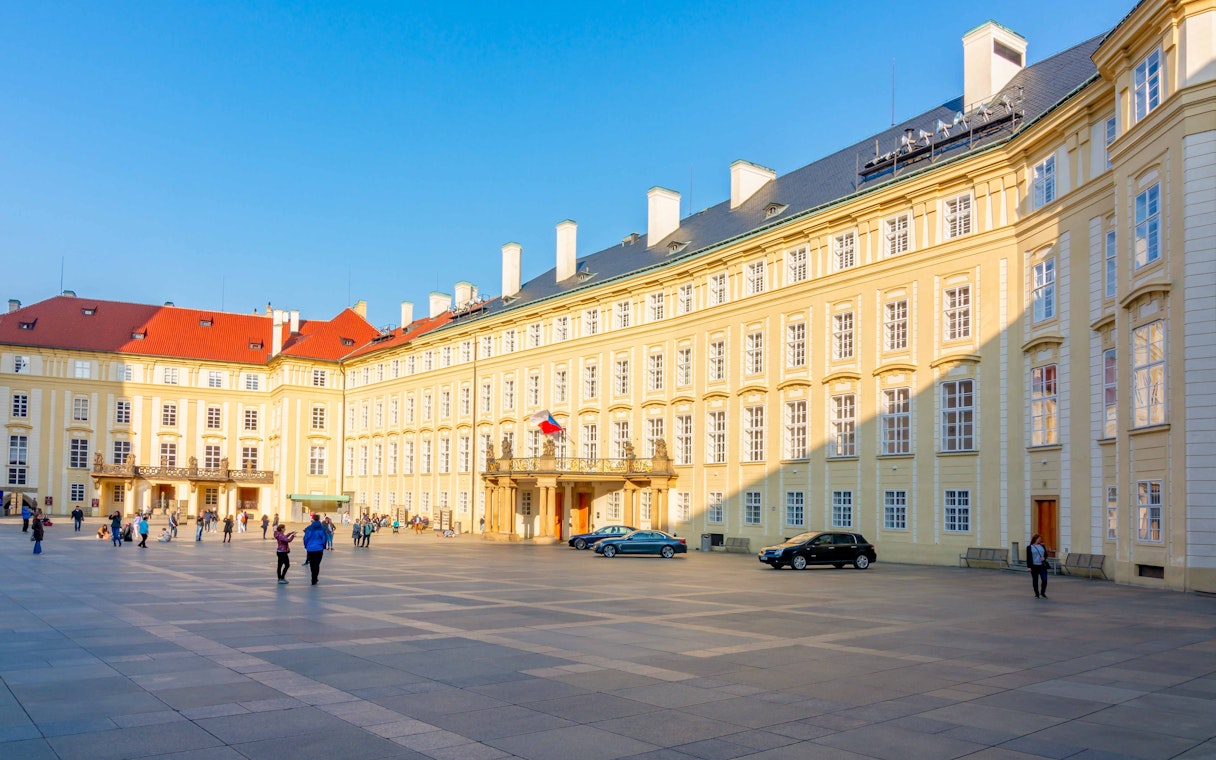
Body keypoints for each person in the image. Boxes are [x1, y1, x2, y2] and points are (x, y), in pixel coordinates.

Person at [302, 514, 327, 585]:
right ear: (319, 519)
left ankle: (313, 577)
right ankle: (315, 577)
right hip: (319, 548)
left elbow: (305, 537)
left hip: (310, 548)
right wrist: (324, 546)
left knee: (312, 563)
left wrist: (306, 545)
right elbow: (324, 538)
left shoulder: (309, 528)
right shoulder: (321, 528)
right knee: (317, 563)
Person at [1027, 533, 1050, 599]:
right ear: (1035, 539)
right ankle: (1037, 594)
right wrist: (1029, 567)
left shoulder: (1042, 546)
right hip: (1034, 566)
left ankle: (1042, 593)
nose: (1040, 540)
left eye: (1041, 539)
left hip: (1042, 565)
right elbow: (1028, 557)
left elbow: (1045, 554)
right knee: (1035, 580)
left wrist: (1044, 558)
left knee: (1044, 579)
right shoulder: (1029, 547)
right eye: (1039, 538)